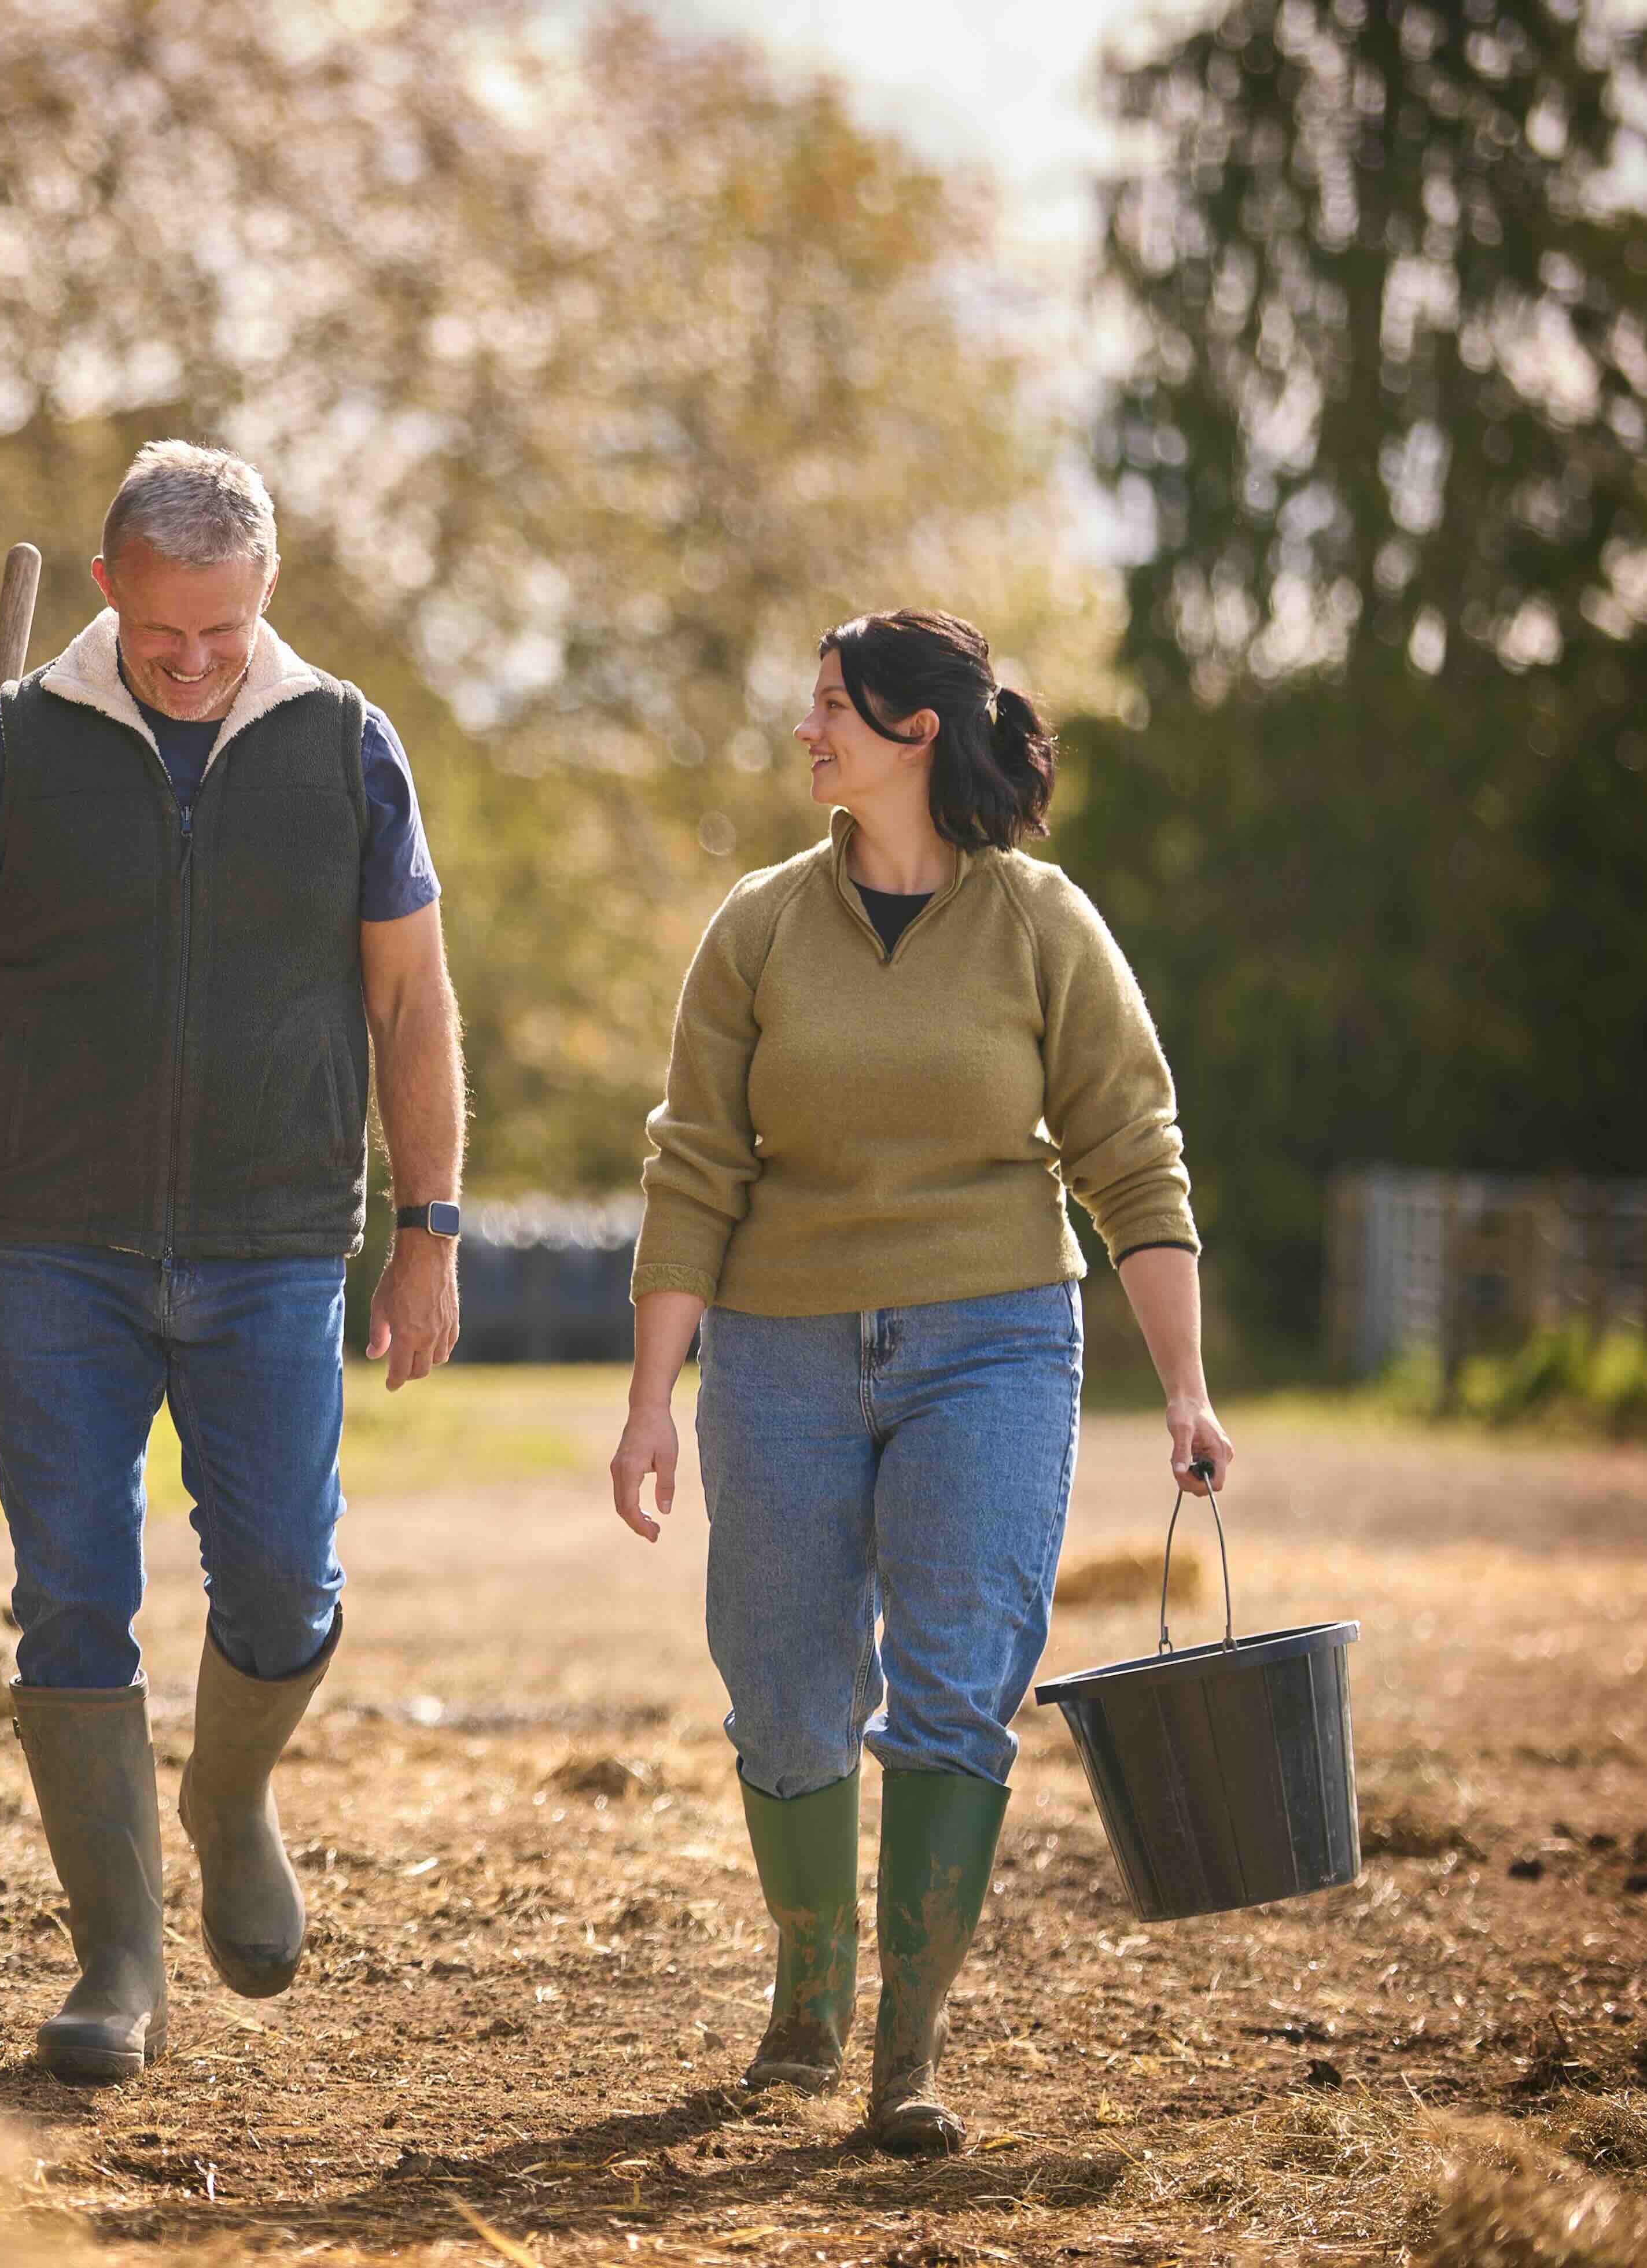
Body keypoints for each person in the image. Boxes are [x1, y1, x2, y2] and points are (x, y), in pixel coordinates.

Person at [0, 441, 466, 2083]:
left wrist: (427, 1229)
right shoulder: (13, 748)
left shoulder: (344, 745)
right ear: (108, 584)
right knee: (68, 1594)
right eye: (161, 633)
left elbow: (410, 1000)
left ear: (263, 592)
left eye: (222, 632)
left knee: (279, 1580)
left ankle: (226, 1792)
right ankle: (118, 1955)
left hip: (274, 1243)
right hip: (55, 1242)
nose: (192, 665)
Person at [609, 608, 1237, 2155]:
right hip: (778, 1341)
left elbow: (1127, 1153)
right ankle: (807, 1991)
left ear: (913, 733)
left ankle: (907, 2047)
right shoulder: (756, 923)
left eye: (833, 706)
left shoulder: (1040, 921)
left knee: (956, 1683)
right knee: (783, 1687)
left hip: (996, 1339)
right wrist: (646, 1394)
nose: (807, 730)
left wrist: (1184, 1387)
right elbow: (691, 1161)